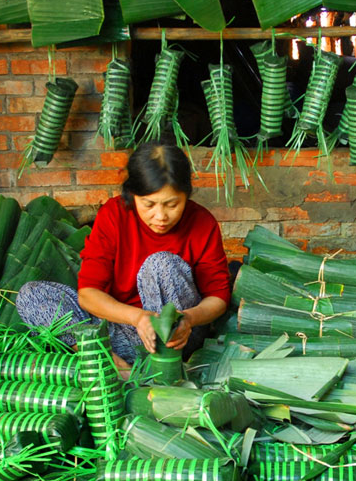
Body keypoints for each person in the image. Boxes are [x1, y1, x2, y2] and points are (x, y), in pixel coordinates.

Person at [15, 142, 231, 375]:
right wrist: (137, 318)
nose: (161, 216)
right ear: (132, 194)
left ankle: (163, 367)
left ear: (186, 195)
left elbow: (218, 298)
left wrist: (187, 319)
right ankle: (108, 361)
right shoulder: (113, 215)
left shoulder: (202, 222)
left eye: (172, 204)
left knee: (161, 263)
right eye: (148, 204)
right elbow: (88, 294)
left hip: (178, 335)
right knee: (31, 295)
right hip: (124, 331)